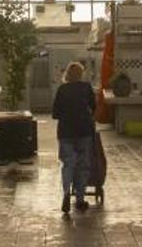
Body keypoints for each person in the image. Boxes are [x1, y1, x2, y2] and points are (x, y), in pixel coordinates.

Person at [52, 62, 95, 213]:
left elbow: (55, 114)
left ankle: (66, 194)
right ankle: (80, 199)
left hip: (66, 132)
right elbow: (93, 107)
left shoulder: (62, 89)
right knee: (82, 165)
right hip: (84, 131)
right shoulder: (86, 88)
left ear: (67, 75)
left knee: (68, 164)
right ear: (81, 74)